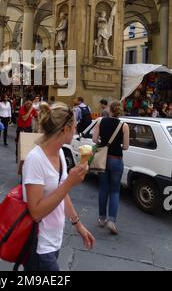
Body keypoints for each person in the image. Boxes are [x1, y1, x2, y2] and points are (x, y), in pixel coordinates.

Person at [23, 102, 95, 272]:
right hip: (39, 245)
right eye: (75, 127)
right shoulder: (35, 159)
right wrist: (70, 182)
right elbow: (36, 212)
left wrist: (78, 225)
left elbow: (61, 193)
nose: (76, 131)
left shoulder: (61, 152)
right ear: (65, 130)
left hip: (54, 241)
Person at [92, 101, 130, 235]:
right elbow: (125, 147)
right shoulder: (124, 125)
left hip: (103, 158)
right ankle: (111, 221)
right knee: (115, 191)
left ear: (110, 110)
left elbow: (94, 140)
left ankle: (101, 219)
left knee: (103, 188)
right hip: (116, 160)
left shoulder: (100, 122)